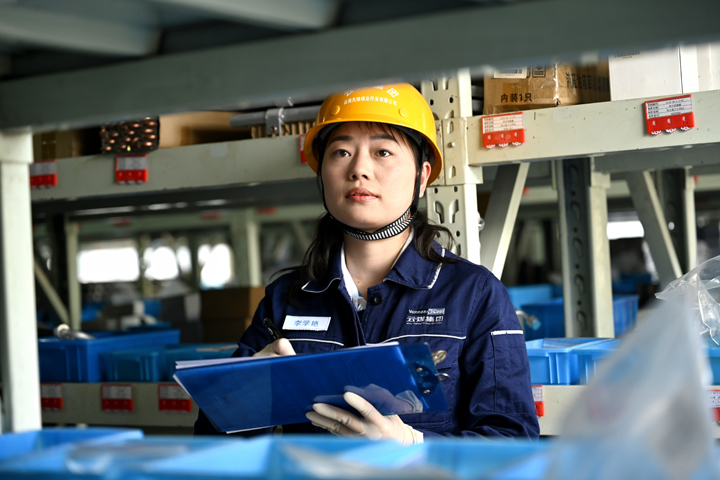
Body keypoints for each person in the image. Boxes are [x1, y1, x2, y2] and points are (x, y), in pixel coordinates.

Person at [195, 83, 540, 442]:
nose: (359, 169)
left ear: (422, 177)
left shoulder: (474, 294)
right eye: (341, 152)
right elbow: (213, 446)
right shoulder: (286, 298)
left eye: (383, 151)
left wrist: (414, 447)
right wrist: (241, 395)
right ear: (322, 174)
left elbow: (514, 440)